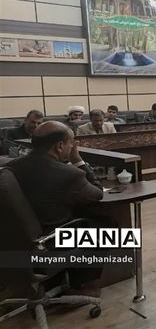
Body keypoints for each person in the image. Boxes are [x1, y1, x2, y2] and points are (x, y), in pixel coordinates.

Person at [8, 121, 105, 293]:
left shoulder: (12, 167)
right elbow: (97, 193)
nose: (72, 147)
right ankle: (81, 286)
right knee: (107, 227)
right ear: (60, 146)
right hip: (50, 242)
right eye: (71, 143)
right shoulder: (69, 173)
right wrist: (78, 161)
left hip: (16, 240)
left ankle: (54, 283)